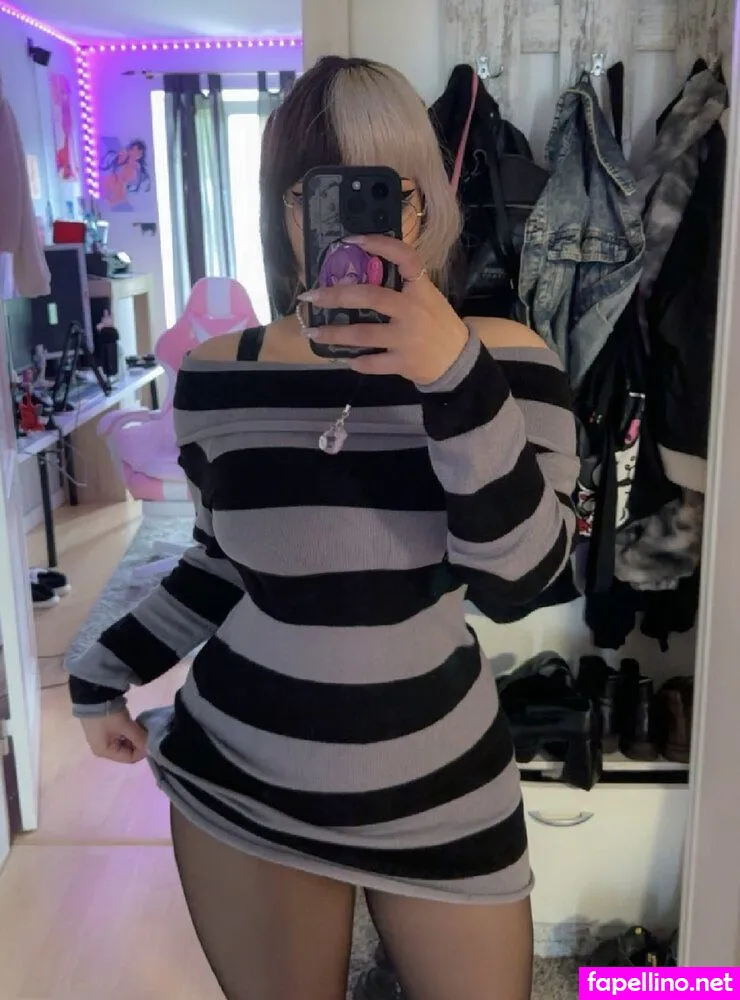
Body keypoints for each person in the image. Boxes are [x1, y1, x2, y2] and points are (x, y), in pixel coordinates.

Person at [67, 56, 579, 1000]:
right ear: (286, 212)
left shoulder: (506, 358)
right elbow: (222, 566)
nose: (360, 223)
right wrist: (101, 674)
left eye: (388, 190)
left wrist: (451, 376)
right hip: (243, 777)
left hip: (443, 790)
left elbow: (521, 582)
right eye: (322, 195)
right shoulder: (218, 372)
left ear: (425, 205)